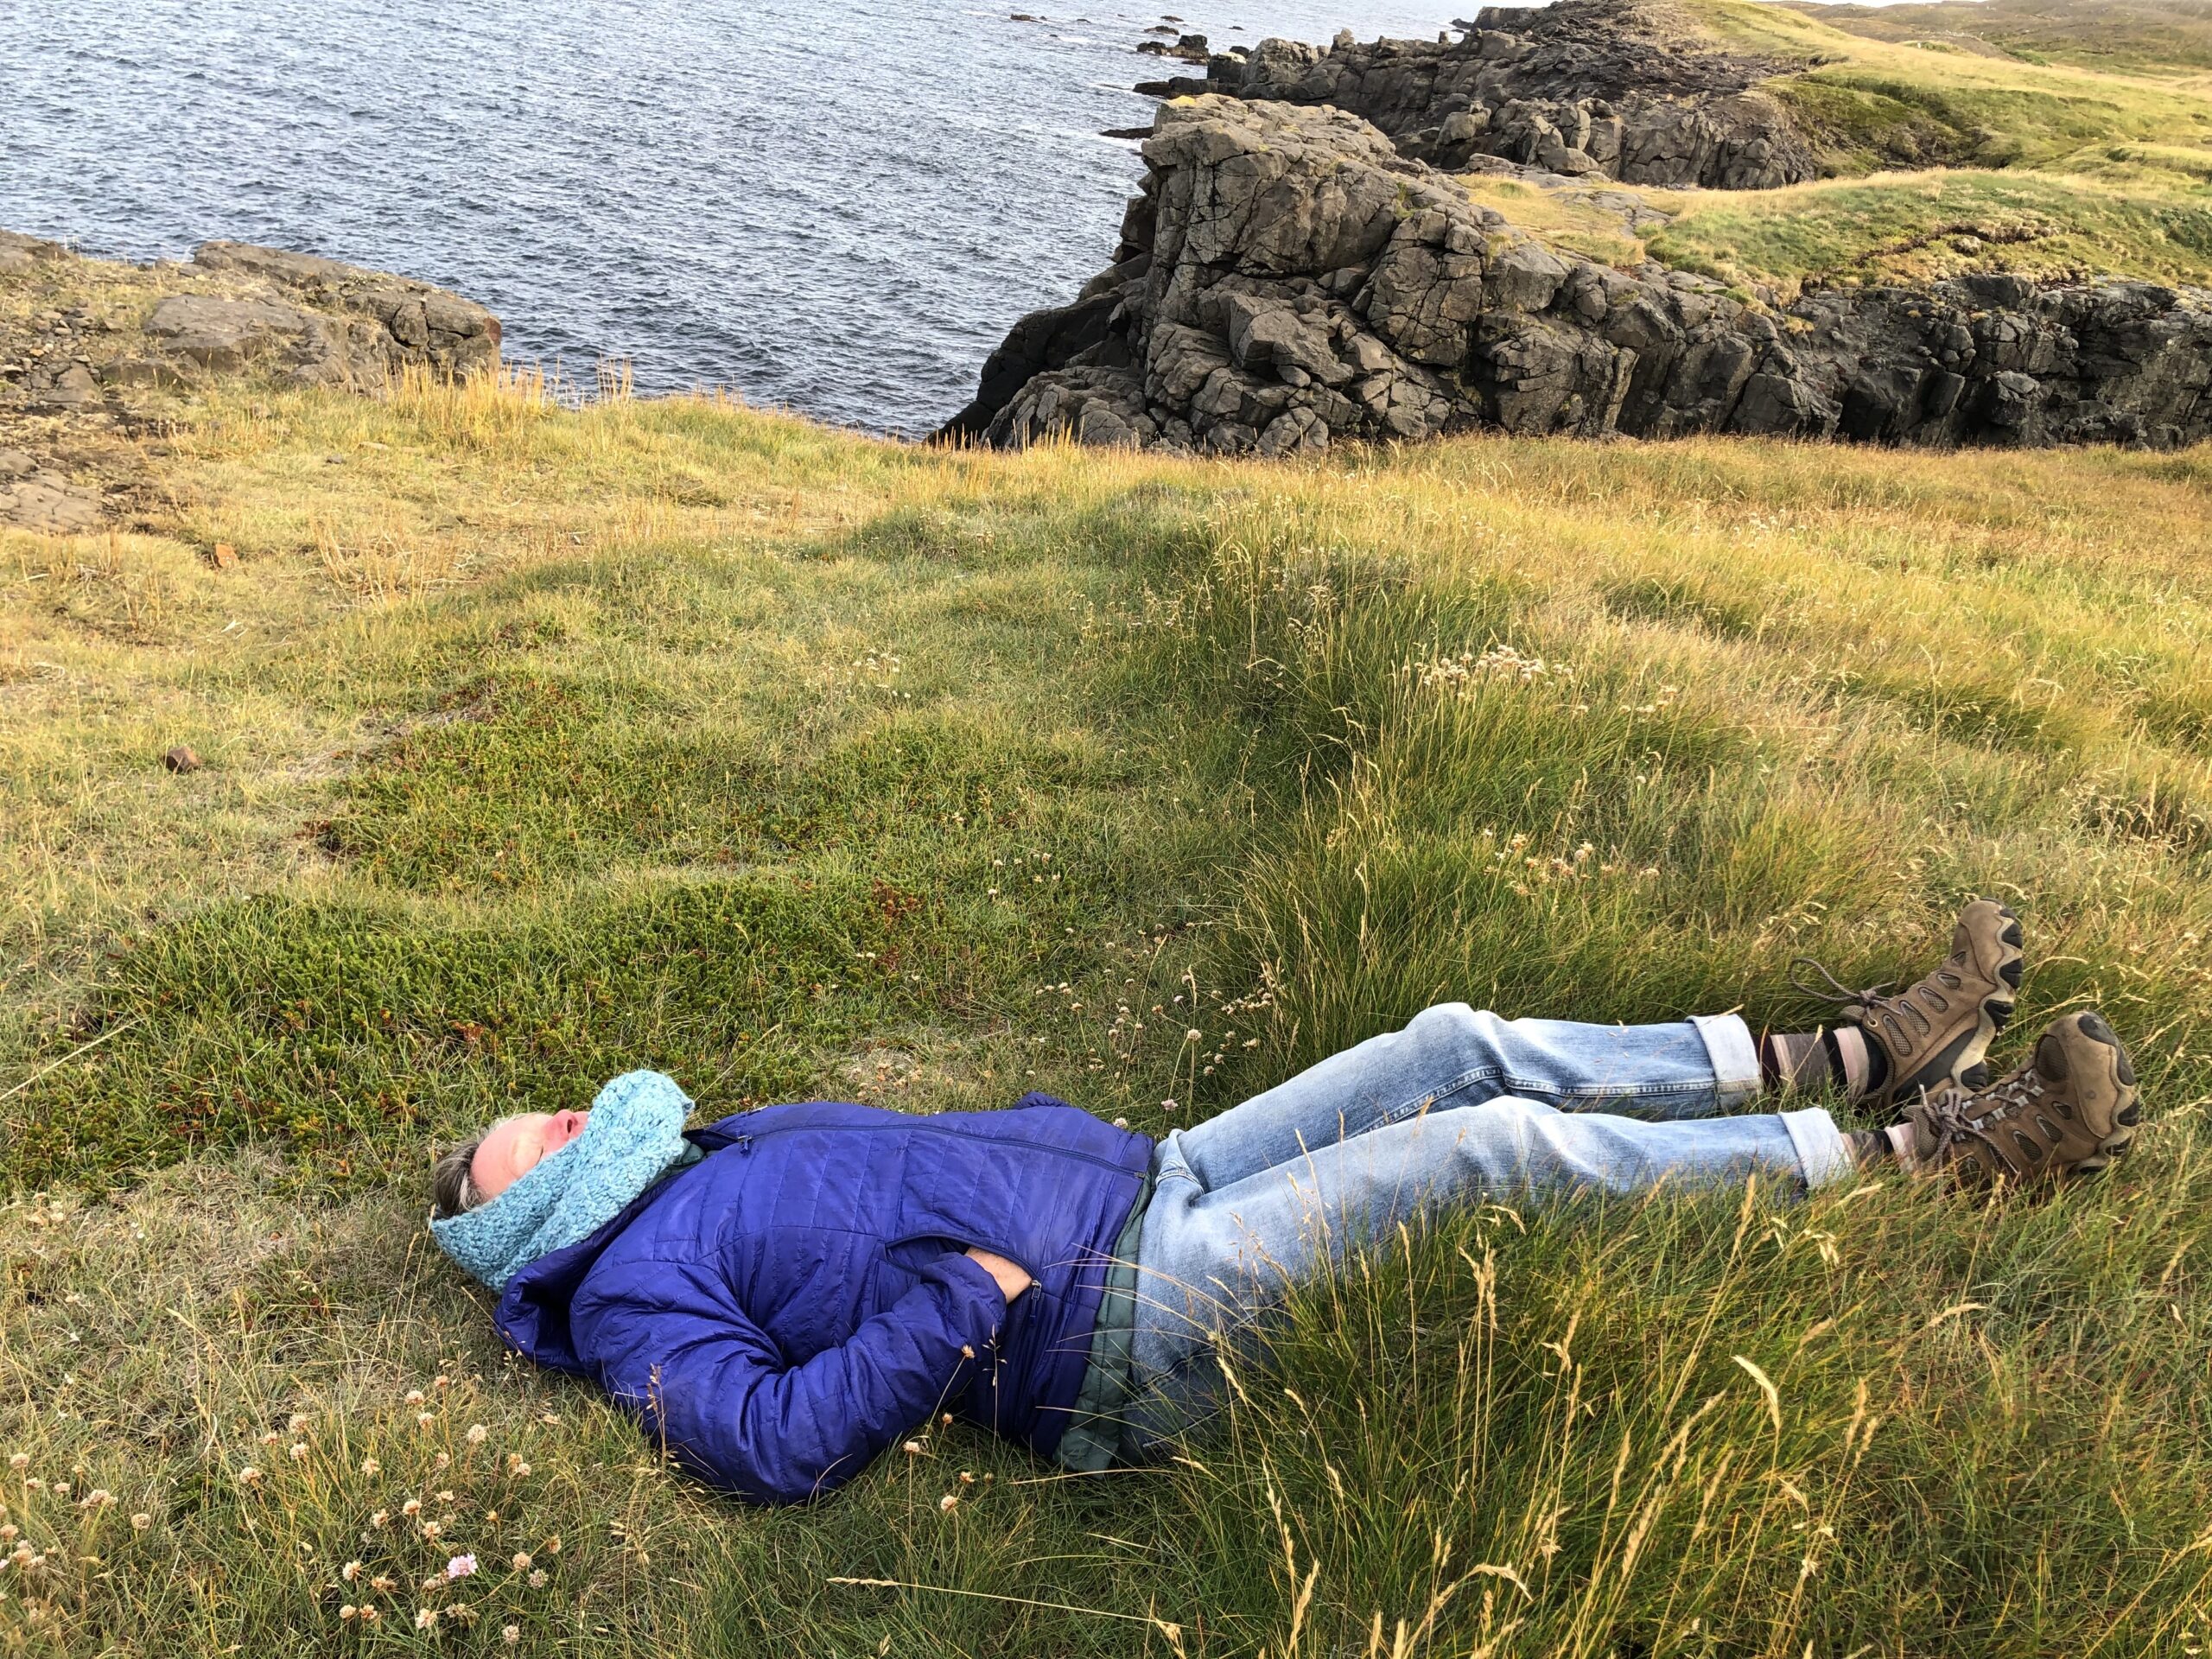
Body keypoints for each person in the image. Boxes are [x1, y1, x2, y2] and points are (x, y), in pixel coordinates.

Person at [427, 900, 2142, 1503]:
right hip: (1111, 1330)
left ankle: (1842, 1056)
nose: (570, 1117)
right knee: (1483, 1152)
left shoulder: (701, 1148)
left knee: (1444, 1042)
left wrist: (1062, 1143)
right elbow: (766, 1446)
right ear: (533, 1218)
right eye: (538, 1143)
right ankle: (1920, 1168)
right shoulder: (624, 1302)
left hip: (1154, 1179)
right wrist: (963, 1300)